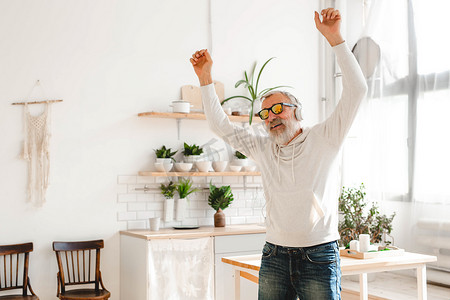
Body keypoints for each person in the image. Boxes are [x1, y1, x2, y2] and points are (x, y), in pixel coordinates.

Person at [190, 8, 367, 300]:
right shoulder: (263, 147)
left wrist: (335, 39)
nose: (270, 116)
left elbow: (357, 89)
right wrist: (205, 78)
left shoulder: (326, 137)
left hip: (319, 256)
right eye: (265, 112)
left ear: (297, 111)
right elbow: (219, 125)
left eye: (278, 108)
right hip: (274, 254)